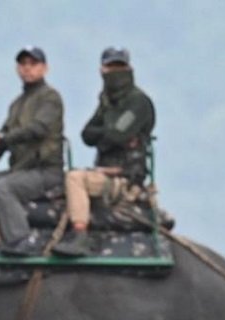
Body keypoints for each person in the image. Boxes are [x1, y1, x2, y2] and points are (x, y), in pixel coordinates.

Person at [53, 47, 154, 257]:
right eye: (110, 67)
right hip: (103, 172)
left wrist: (108, 133)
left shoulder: (138, 102)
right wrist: (109, 132)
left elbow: (116, 135)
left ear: (129, 68)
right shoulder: (106, 101)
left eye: (119, 67)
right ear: (102, 70)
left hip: (125, 177)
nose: (115, 72)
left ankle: (80, 236)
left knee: (75, 178)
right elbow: (86, 135)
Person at [0, 46, 65, 256]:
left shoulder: (50, 98)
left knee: (3, 188)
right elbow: (2, 142)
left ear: (44, 68)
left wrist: (3, 138)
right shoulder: (17, 105)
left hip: (45, 170)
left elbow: (38, 128)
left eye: (33, 64)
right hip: (21, 170)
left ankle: (21, 240)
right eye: (23, 64)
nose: (27, 69)